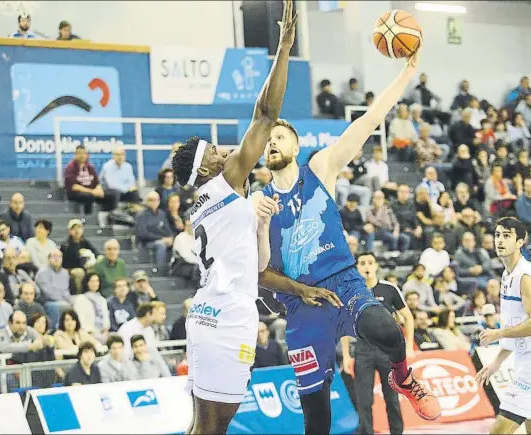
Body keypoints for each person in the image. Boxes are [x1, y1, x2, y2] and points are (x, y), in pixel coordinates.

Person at [171, 5, 340, 433]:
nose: (223, 152)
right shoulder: (225, 182)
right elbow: (265, 116)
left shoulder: (209, 204)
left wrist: (264, 229)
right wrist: (283, 46)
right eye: (213, 153)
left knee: (203, 428)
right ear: (206, 171)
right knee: (212, 429)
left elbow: (258, 270)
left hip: (213, 310)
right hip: (226, 315)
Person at [256, 44, 440, 434]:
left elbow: (372, 118)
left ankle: (403, 377)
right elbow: (260, 274)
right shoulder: (257, 203)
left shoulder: (320, 168)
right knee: (317, 422)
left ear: (296, 146)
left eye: (280, 137)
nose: (272, 142)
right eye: (267, 139)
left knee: (388, 330)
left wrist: (406, 75)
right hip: (302, 307)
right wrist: (292, 288)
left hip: (344, 282)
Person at [476, 217, 531, 434]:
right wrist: (497, 362)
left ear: (520, 241)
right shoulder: (507, 275)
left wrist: (499, 333)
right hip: (528, 360)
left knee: (498, 431)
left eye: (507, 235)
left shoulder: (525, 276)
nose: (500, 240)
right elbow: (516, 325)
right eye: (498, 235)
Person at [341, 252, 414, 435]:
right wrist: (346, 355)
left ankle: (397, 432)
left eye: (370, 263)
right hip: (363, 350)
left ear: (376, 266)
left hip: (387, 352)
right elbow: (343, 325)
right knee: (364, 400)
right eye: (362, 263)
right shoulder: (351, 292)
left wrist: (410, 346)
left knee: (392, 397)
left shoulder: (389, 289)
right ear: (356, 268)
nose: (366, 266)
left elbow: (408, 317)